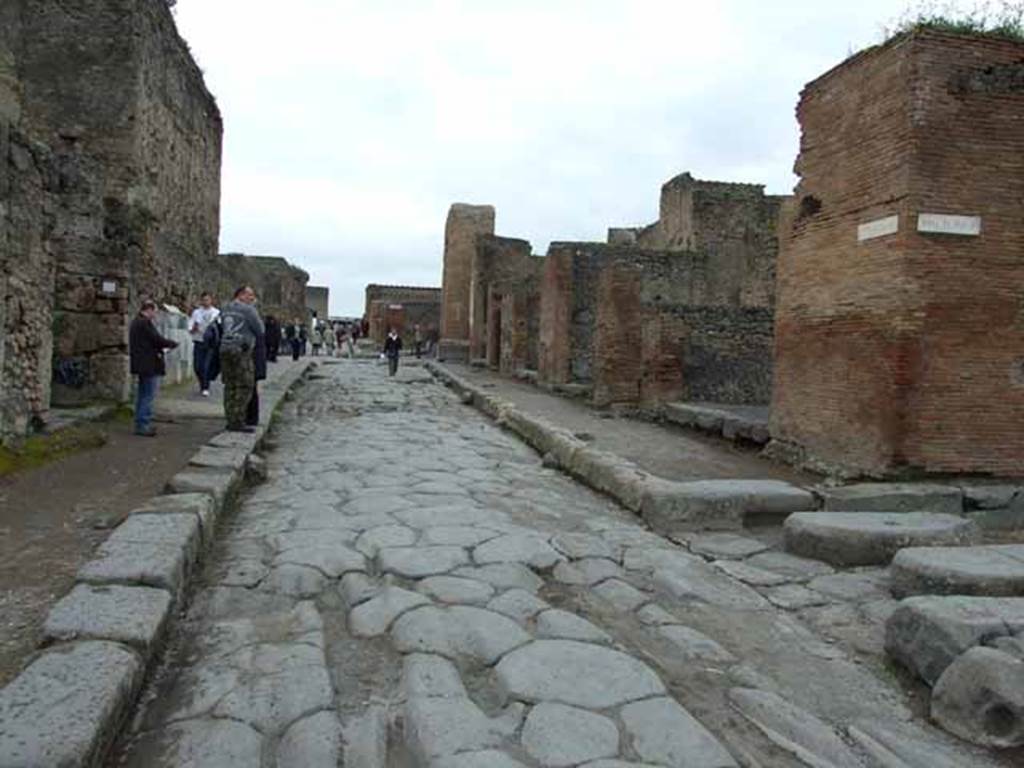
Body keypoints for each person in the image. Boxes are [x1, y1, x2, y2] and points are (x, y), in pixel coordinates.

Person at [129, 299, 179, 437]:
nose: (155, 315)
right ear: (149, 310)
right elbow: (156, 339)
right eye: (154, 312)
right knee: (148, 395)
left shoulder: (136, 322)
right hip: (148, 364)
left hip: (141, 363)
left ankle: (141, 421)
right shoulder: (144, 323)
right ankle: (143, 424)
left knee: (142, 394)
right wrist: (171, 344)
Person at [219, 285, 264, 433]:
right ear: (241, 295)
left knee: (230, 385)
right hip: (241, 350)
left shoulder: (224, 308)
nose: (252, 298)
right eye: (249, 295)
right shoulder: (248, 310)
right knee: (244, 385)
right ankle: (238, 421)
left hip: (225, 348)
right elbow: (260, 330)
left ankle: (230, 418)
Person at [188, 292, 219, 396]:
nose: (206, 302)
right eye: (204, 300)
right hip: (198, 340)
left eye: (208, 300)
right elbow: (190, 325)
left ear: (211, 300)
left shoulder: (216, 313)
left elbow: (219, 327)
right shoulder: (197, 312)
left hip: (210, 343)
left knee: (206, 365)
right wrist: (193, 328)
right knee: (197, 366)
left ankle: (206, 387)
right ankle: (202, 383)